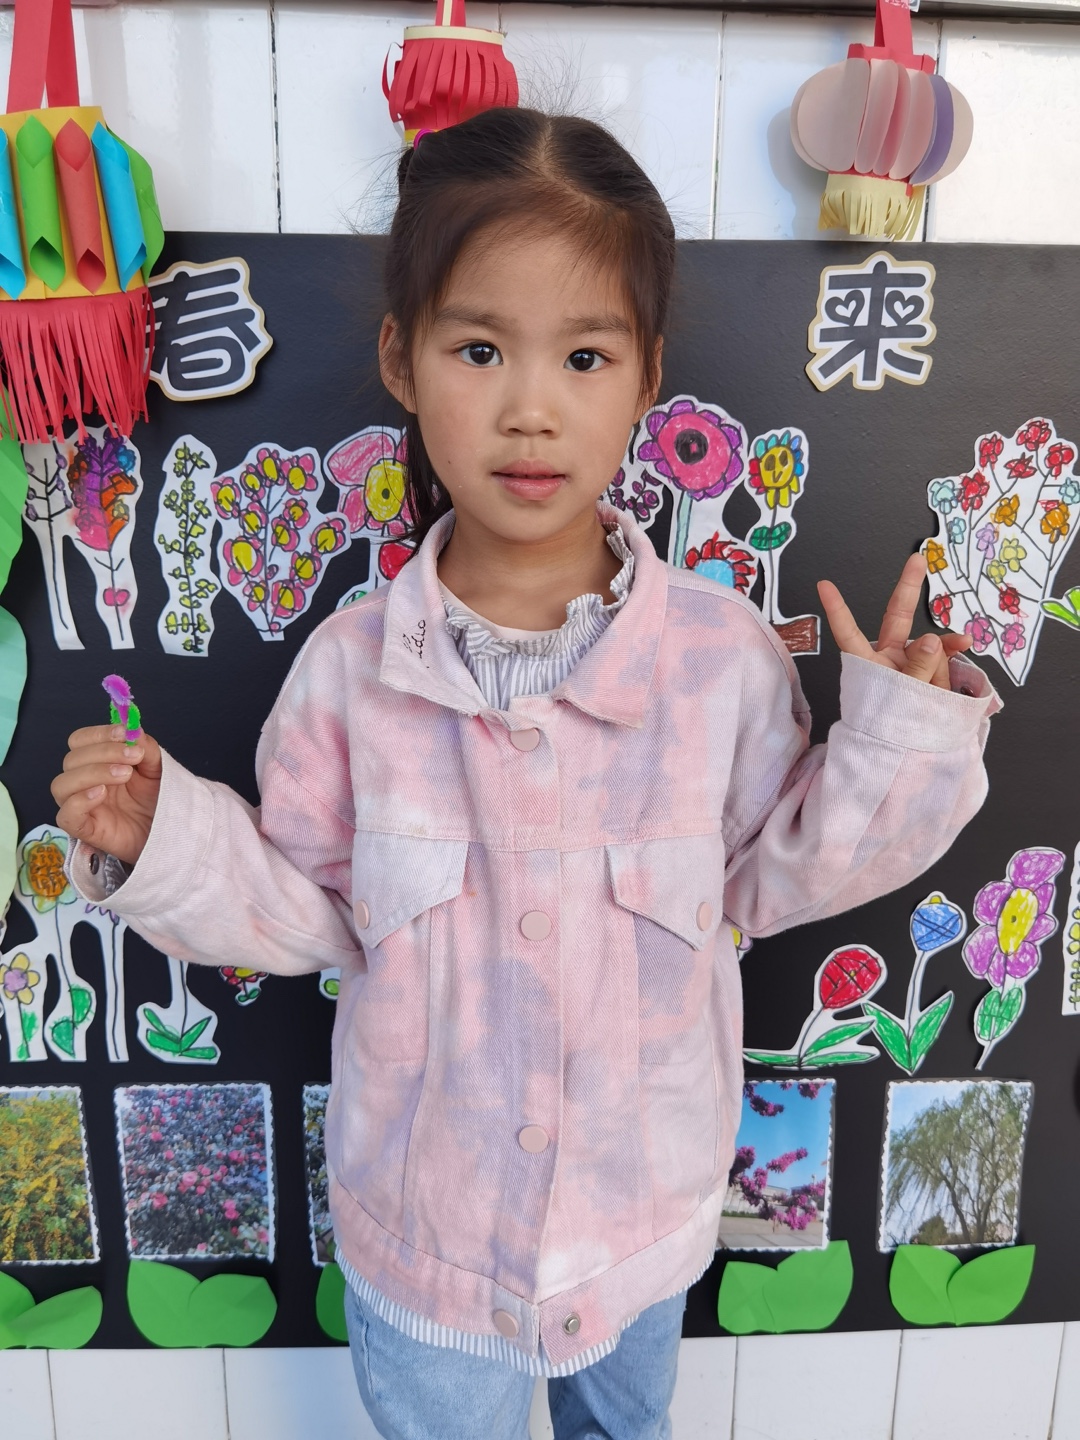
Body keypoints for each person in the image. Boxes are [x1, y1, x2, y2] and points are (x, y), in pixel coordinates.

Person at [52, 107, 1000, 1440]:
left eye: (585, 355)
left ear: (647, 376)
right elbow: (305, 906)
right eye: (480, 348)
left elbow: (781, 874)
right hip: (426, 1241)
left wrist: (900, 733)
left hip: (640, 1227)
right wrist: (169, 838)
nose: (532, 407)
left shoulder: (720, 661)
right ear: (402, 357)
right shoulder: (352, 675)